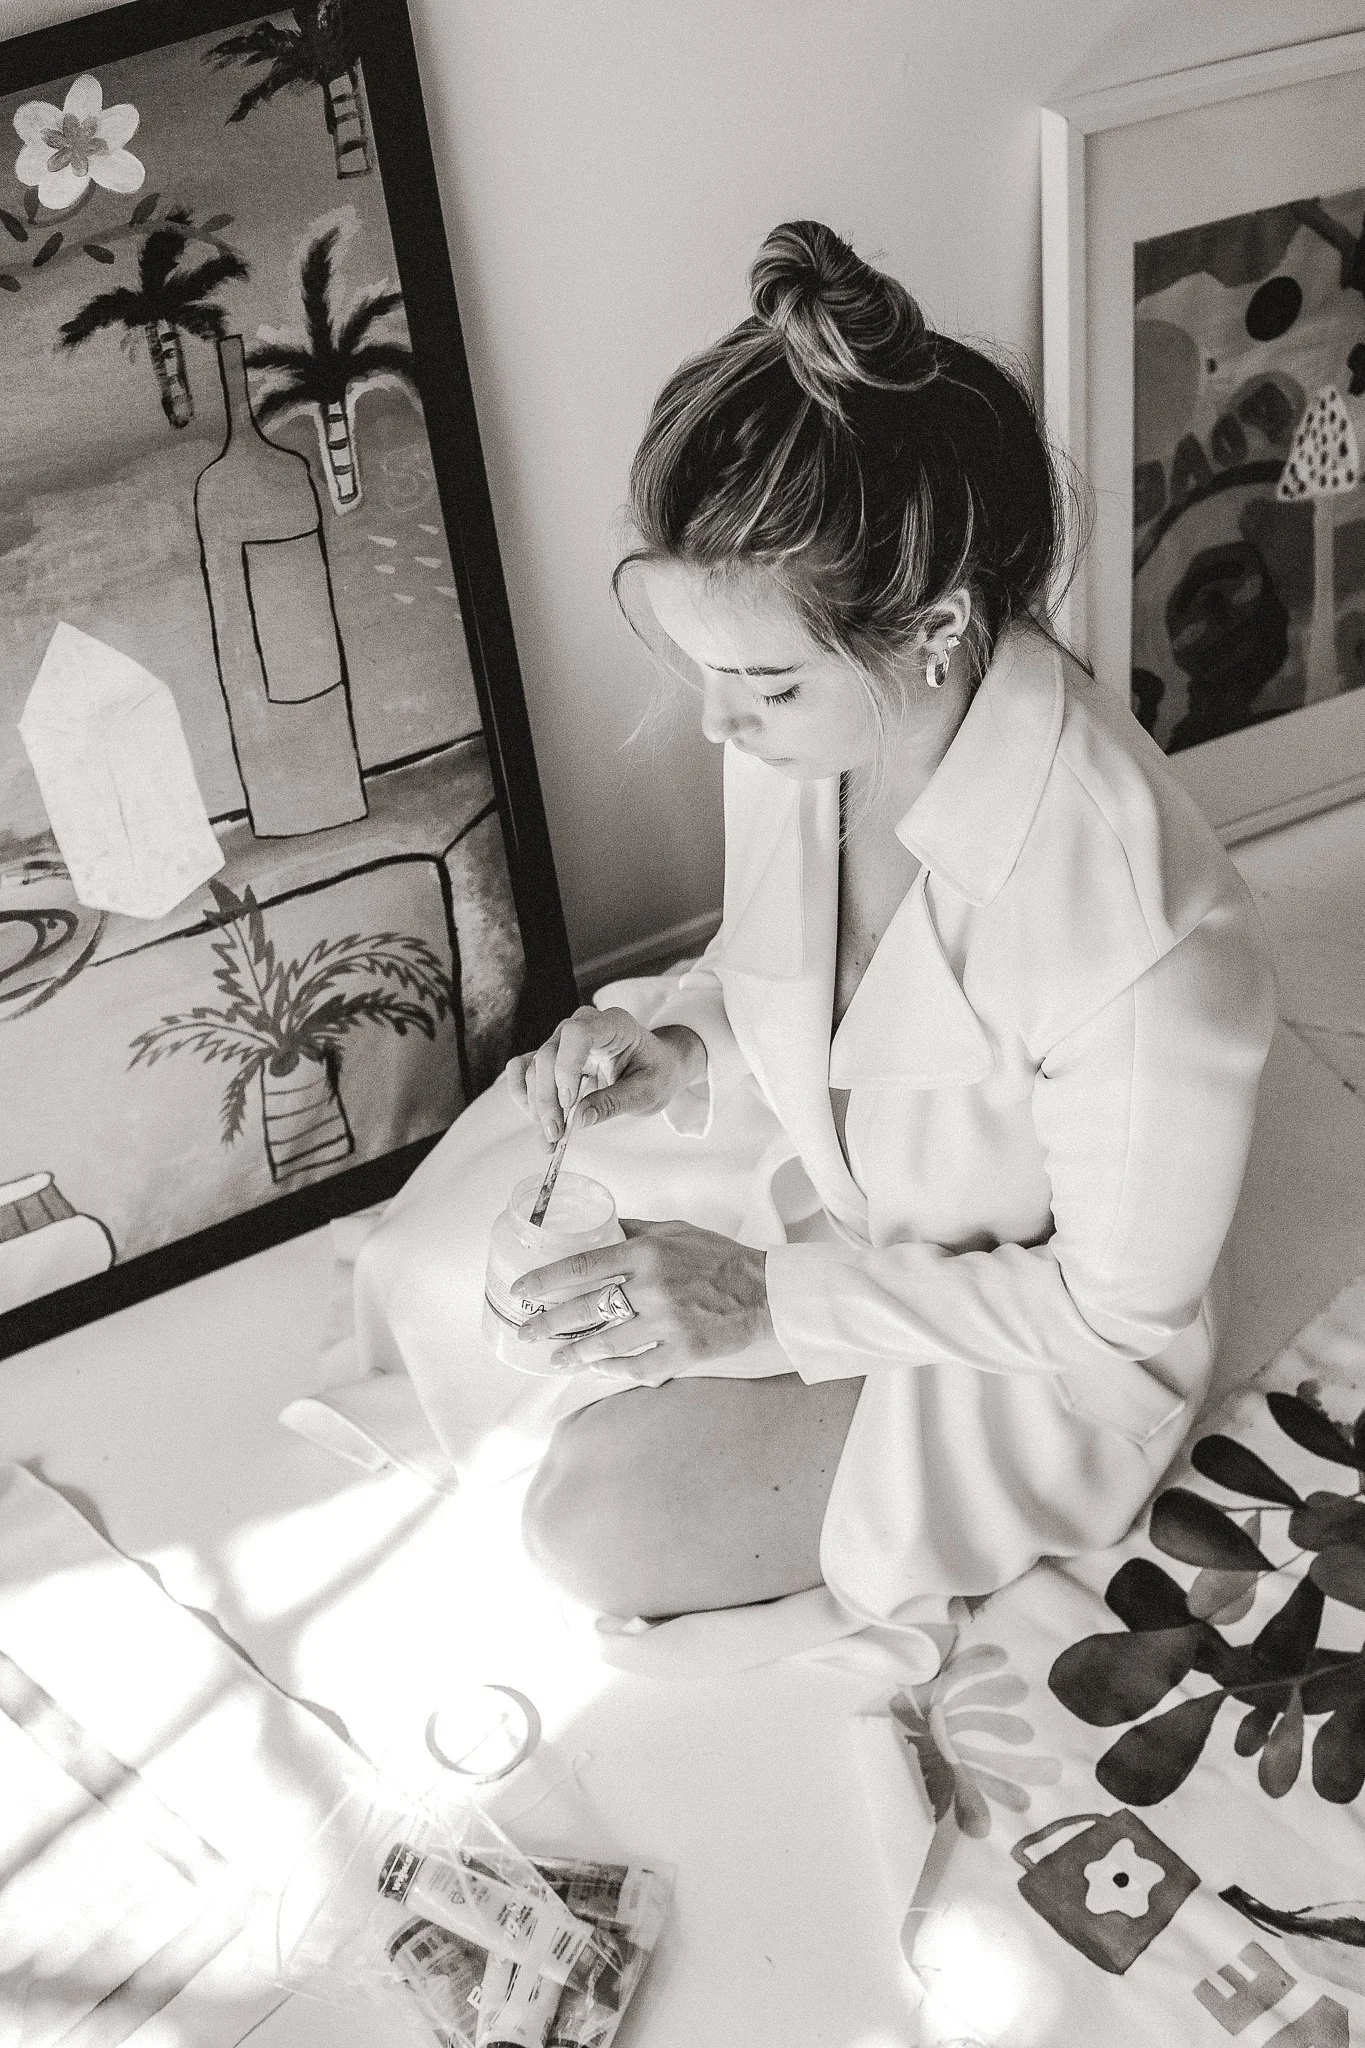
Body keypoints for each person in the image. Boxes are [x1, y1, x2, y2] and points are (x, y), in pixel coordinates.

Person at [362, 220, 1277, 1652]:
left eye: (764, 684)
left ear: (932, 628)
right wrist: (681, 1048)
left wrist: (757, 1302)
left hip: (1035, 1353)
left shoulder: (1148, 941)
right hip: (865, 1208)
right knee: (453, 1278)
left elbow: (1111, 1319)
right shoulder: (818, 734)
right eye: (703, 669)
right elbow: (787, 975)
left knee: (586, 1525)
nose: (717, 724)